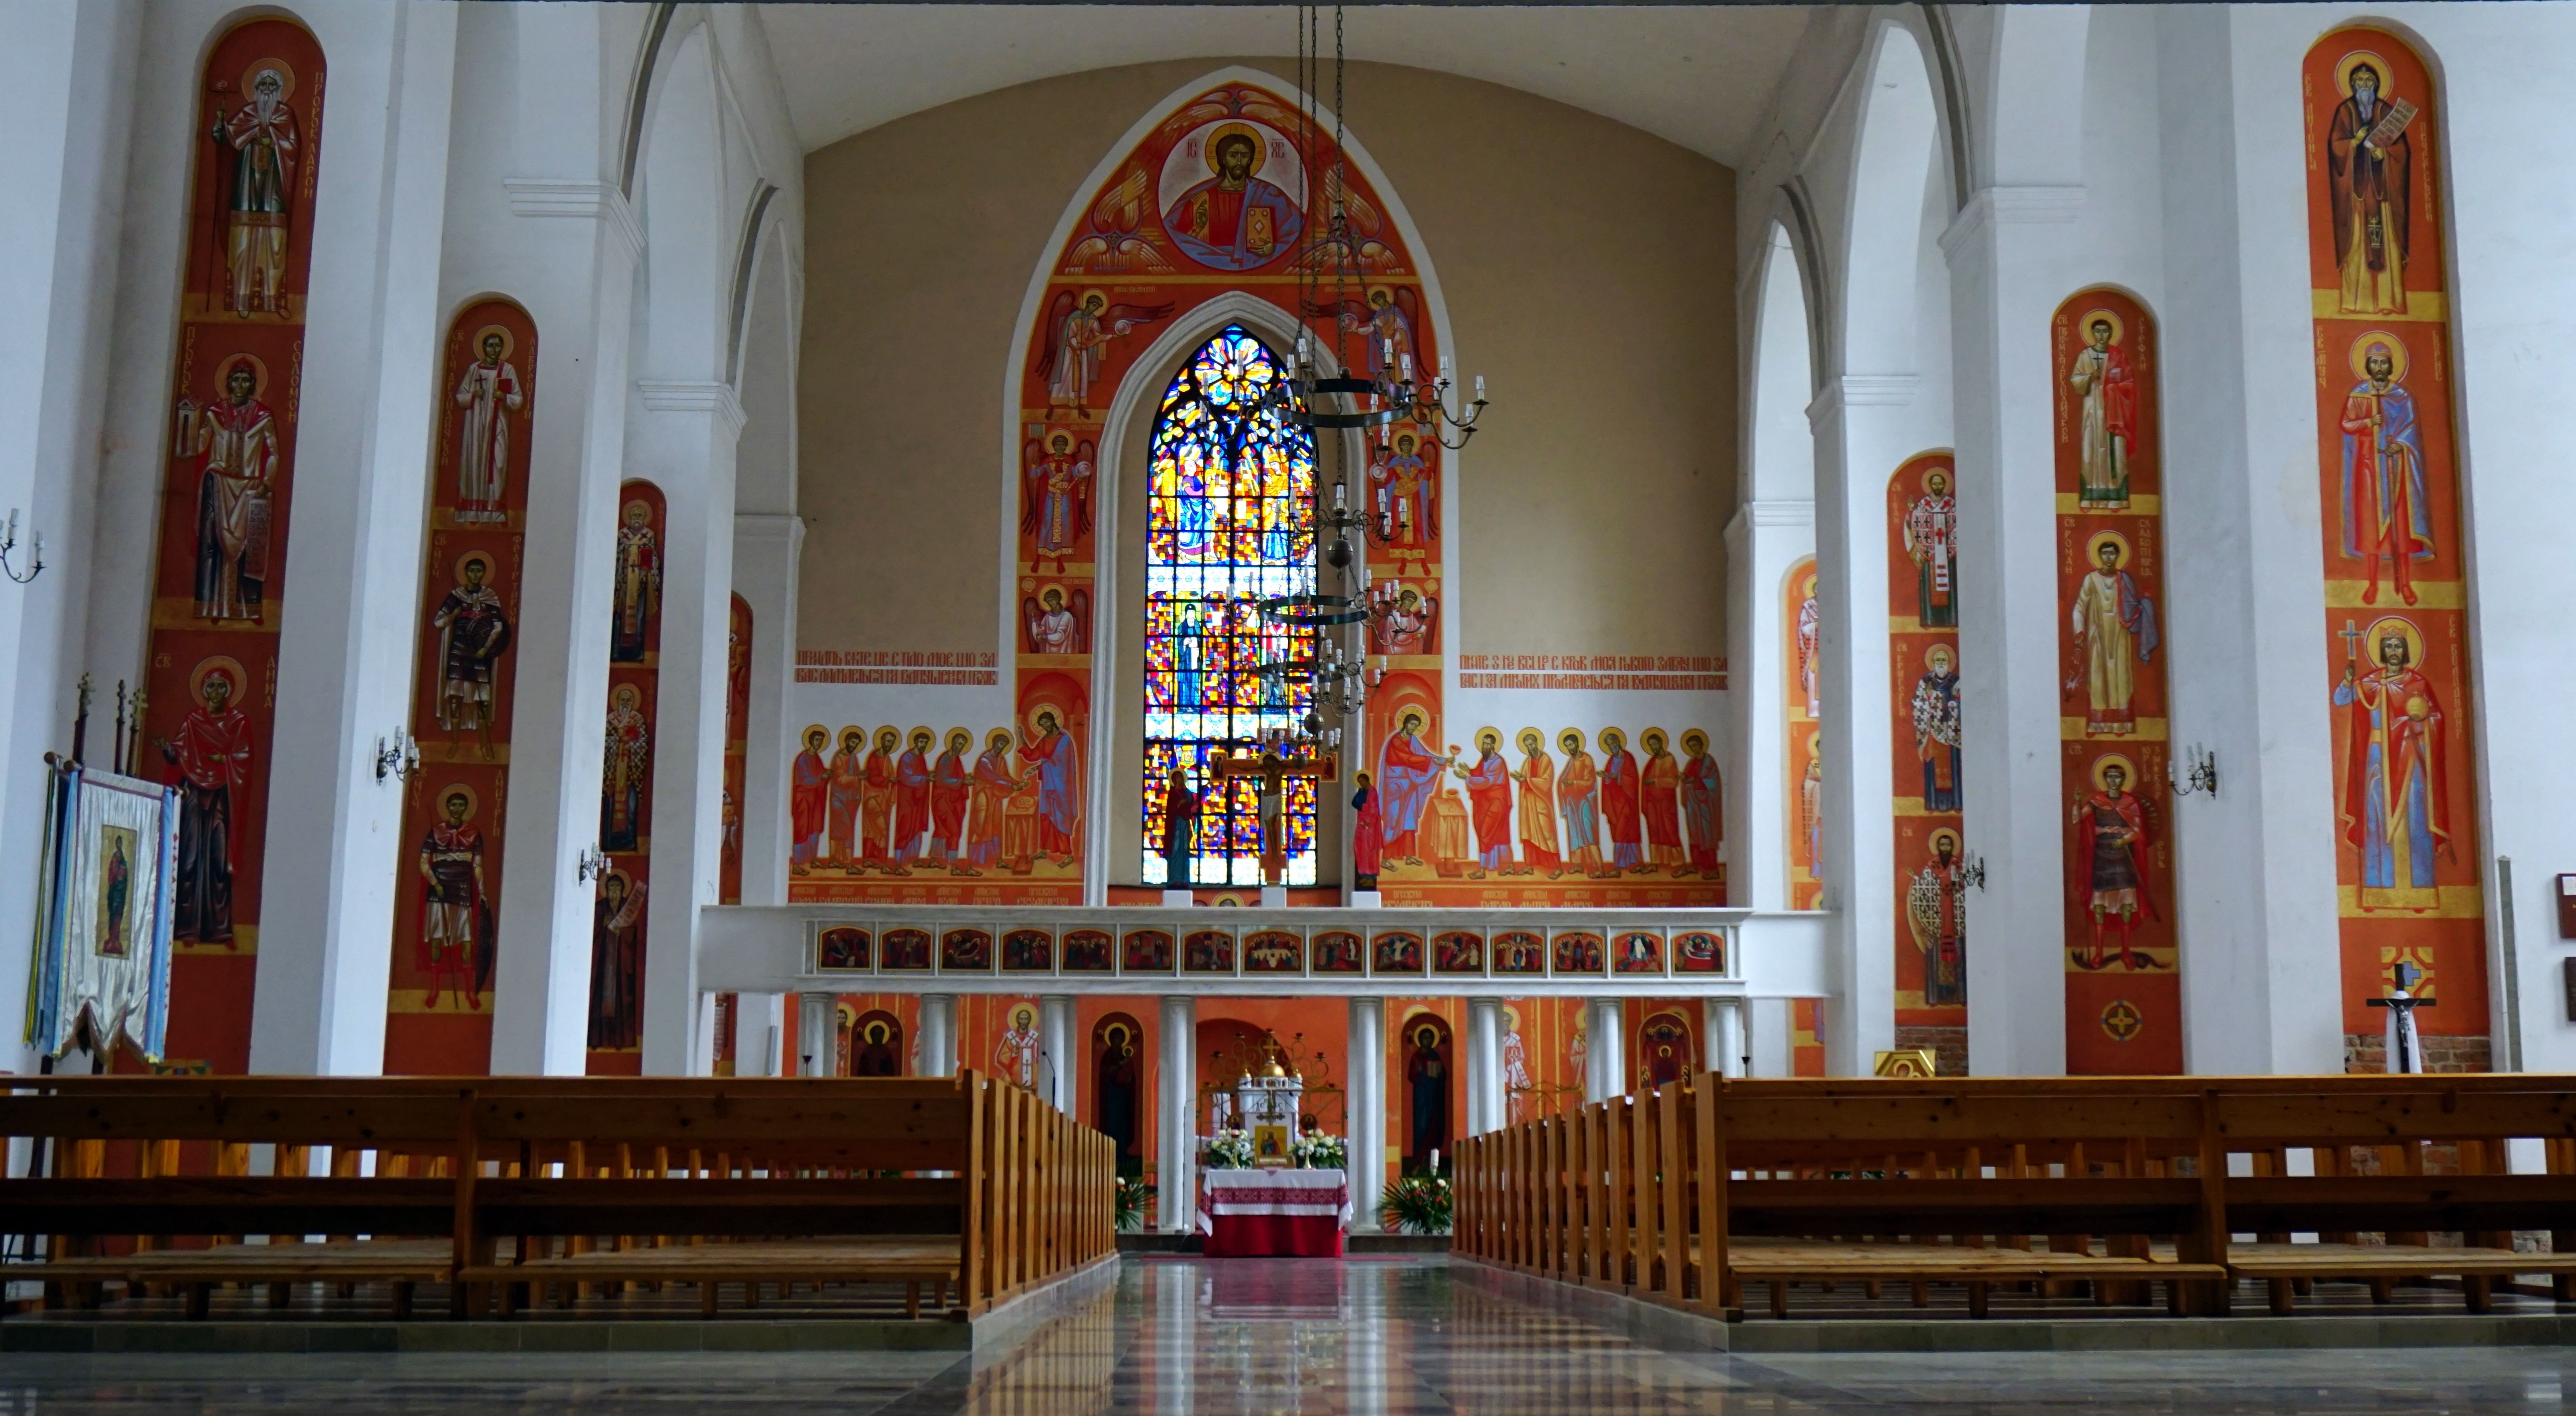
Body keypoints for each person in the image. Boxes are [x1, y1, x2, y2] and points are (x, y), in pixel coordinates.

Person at [2334, 620, 2449, 910]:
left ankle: (2419, 892)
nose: (2394, 651)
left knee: (2414, 823)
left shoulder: (2418, 683)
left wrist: (2421, 721)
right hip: (2376, 762)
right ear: (2382, 652)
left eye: (2398, 646)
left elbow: (2437, 718)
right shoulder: (2370, 682)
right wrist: (2348, 681)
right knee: (2377, 822)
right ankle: (2378, 892)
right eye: (2388, 647)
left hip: (2409, 760)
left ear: (2406, 650)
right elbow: (2340, 699)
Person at [174, 360, 279, 622]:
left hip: (249, 488)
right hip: (218, 484)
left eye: (246, 380)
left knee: (250, 550)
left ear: (253, 384)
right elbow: (197, 447)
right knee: (212, 547)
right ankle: (212, 607)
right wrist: (189, 422)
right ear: (228, 383)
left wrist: (267, 482)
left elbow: (274, 452)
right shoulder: (215, 414)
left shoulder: (263, 417)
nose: (240, 386)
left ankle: (247, 610)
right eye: (236, 380)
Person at [157, 667, 251, 945]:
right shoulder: (193, 721)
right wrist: (167, 749)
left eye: (221, 687)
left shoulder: (239, 722)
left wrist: (226, 761)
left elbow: (244, 758)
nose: (215, 693)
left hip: (222, 797)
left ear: (230, 691)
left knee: (218, 863)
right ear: (203, 691)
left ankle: (220, 930)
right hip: (194, 797)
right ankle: (186, 928)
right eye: (211, 687)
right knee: (189, 860)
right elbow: (178, 754)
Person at [2339, 340, 2433, 607]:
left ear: (2391, 366)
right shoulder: (2359, 394)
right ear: (2367, 366)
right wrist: (2369, 422)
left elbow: (2411, 427)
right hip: (2369, 469)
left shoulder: (2401, 397)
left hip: (2396, 468)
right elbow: (2346, 424)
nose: (2379, 367)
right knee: (2370, 528)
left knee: (2400, 529)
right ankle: (2371, 585)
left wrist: (2399, 445)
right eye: (2374, 362)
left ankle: (2405, 584)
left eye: (2383, 362)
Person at [2325, 60, 2413, 316]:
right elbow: (2336, 147)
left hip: (2382, 193)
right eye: (2360, 82)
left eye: (2369, 82)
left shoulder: (2385, 111)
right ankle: (2357, 302)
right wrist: (2354, 143)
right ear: (2352, 85)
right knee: (2357, 244)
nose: (2364, 86)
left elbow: (2402, 151)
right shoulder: (2345, 112)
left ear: (2376, 85)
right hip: (2357, 193)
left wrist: (2383, 153)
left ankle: (2389, 301)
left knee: (2386, 242)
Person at [213, 66, 298, 314]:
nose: (268, 91)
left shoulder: (286, 115)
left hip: (273, 185)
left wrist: (272, 136)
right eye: (263, 86)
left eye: (273, 86)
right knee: (243, 243)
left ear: (280, 89)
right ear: (256, 89)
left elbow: (293, 147)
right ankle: (242, 301)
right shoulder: (247, 113)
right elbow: (226, 140)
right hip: (246, 186)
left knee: (274, 243)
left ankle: (272, 301)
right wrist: (220, 124)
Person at [1161, 126, 1303, 270]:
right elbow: (1173, 235)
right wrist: (1198, 227)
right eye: (1233, 155)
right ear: (1223, 159)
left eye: (1244, 156)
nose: (1239, 161)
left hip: (1253, 262)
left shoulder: (1267, 194)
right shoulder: (1202, 197)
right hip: (1207, 260)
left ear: (1250, 160)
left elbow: (1296, 229)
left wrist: (1273, 248)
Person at [2071, 761, 2161, 972]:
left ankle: (2126, 952)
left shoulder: (2130, 803)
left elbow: (2138, 831)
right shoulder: (2097, 801)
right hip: (2102, 859)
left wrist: (2123, 839)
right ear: (2105, 779)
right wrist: (2077, 803)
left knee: (2126, 909)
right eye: (2110, 777)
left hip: (2123, 858)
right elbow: (2077, 819)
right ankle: (2099, 952)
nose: (2114, 781)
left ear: (2123, 780)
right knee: (2100, 908)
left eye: (2118, 777)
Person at [2067, 537, 2158, 736]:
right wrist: (2079, 630)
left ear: (2118, 555)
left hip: (2119, 635)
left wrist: (2143, 609)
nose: (2108, 557)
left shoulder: (2124, 580)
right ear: (2099, 556)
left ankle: (2121, 723)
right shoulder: (2091, 579)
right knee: (2099, 675)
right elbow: (2080, 606)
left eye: (2112, 553)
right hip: (2098, 635)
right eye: (2105, 553)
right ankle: (2098, 723)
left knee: (2120, 676)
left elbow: (2133, 606)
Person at [430, 554, 512, 751]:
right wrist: (454, 615)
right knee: (456, 699)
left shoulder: (489, 597)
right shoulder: (456, 596)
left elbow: (498, 626)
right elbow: (438, 622)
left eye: (479, 571)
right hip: (459, 652)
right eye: (472, 570)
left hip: (480, 654)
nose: (475, 574)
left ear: (484, 573)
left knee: (483, 702)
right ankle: (455, 744)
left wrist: (485, 648)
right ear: (466, 573)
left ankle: (484, 745)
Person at [417, 789, 488, 1011]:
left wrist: (483, 891)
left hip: (462, 890)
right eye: (453, 805)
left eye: (461, 805)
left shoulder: (474, 833)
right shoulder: (436, 831)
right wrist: (436, 884)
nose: (457, 809)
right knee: (437, 943)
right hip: (439, 893)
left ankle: (469, 992)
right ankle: (435, 989)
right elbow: (423, 863)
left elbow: (477, 865)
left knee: (466, 945)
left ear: (466, 808)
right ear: (448, 808)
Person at [452, 328, 524, 523]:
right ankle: (472, 511)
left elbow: (518, 399)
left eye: (498, 346)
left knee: (497, 462)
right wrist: (474, 395)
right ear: (484, 348)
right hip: (475, 425)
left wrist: (504, 397)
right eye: (490, 345)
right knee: (474, 461)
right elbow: (460, 397)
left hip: (497, 423)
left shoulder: (507, 370)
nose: (494, 350)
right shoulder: (474, 370)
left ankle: (493, 511)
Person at [2069, 316, 2135, 508]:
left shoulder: (2119, 357)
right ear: (2092, 333)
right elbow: (2076, 381)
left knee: (2116, 452)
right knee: (2091, 449)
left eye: (2105, 331)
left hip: (2114, 412)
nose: (2101, 336)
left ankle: (2117, 497)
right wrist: (2090, 377)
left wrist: (2114, 388)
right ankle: (2091, 495)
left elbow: (2130, 384)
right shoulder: (2085, 356)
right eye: (2097, 331)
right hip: (2092, 410)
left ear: (2111, 333)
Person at [1377, 711, 1449, 864]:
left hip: (1410, 784)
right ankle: (1385, 859)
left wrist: (1441, 761)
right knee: (1394, 819)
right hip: (1395, 785)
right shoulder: (1395, 741)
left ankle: (1409, 857)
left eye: (1416, 727)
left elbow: (1424, 754)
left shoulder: (1414, 740)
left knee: (1409, 820)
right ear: (1405, 724)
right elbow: (1407, 758)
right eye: (1411, 725)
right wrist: (1433, 762)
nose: (1413, 728)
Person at [1907, 830, 1968, 1008]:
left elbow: (1966, 887)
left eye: (1948, 845)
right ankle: (1935, 997)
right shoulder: (1931, 866)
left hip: (1956, 922)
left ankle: (1961, 996)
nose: (1945, 848)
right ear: (1937, 847)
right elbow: (1924, 887)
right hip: (1936, 921)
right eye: (1942, 845)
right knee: (1935, 958)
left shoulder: (1959, 866)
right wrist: (1917, 881)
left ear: (1953, 847)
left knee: (1959, 958)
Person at [587, 871, 647, 1049]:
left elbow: (636, 934)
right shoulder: (599, 908)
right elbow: (591, 932)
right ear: (605, 890)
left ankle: (620, 1041)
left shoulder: (626, 909)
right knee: (599, 1002)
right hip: (603, 965)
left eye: (618, 888)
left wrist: (624, 932)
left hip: (621, 965)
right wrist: (603, 928)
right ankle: (596, 1041)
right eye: (611, 888)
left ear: (623, 891)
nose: (614, 892)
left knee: (622, 1003)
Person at [1904, 468, 1958, 627]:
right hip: (1929, 554)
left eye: (1940, 483)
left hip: (1948, 555)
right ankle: (1929, 620)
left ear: (1944, 485)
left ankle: (1952, 620)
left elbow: (1957, 526)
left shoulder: (1952, 505)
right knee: (1928, 584)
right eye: (1934, 483)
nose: (1937, 485)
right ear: (1930, 485)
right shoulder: (1923, 506)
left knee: (1952, 585)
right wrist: (1910, 512)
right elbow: (1914, 525)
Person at [1913, 645, 1964, 811]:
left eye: (1944, 660)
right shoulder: (1926, 682)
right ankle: (1934, 803)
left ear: (1949, 663)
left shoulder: (1954, 681)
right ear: (1933, 663)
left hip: (1951, 732)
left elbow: (1962, 701)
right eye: (1938, 660)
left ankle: (1956, 803)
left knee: (1954, 768)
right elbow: (1919, 703)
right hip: (1933, 732)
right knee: (1933, 768)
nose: (1941, 663)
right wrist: (1928, 704)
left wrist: (1953, 706)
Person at [1456, 730, 1514, 876]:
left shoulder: (1498, 762)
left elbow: (1487, 781)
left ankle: (1482, 870)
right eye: (1484, 744)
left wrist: (1467, 778)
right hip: (1486, 801)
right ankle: (1508, 866)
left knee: (1486, 832)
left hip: (1496, 801)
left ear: (1494, 745)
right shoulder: (1486, 760)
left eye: (1488, 744)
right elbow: (1479, 773)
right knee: (1496, 832)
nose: (1485, 747)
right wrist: (1468, 771)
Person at [1556, 730, 1608, 878]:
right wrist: (1564, 785)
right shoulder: (1571, 761)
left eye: (1571, 745)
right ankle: (1579, 865)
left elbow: (1590, 783)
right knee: (1575, 834)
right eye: (1567, 746)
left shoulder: (1587, 760)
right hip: (1573, 803)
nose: (1569, 748)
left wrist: (1573, 783)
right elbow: (1562, 779)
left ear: (1577, 744)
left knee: (1589, 834)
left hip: (1585, 802)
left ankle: (1600, 868)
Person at [1511, 729, 1562, 878]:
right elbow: (1524, 780)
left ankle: (1557, 867)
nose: (1530, 748)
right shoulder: (1527, 762)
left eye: (1532, 744)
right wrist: (1521, 779)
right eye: (1527, 746)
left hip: (1541, 804)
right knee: (1529, 835)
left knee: (1548, 836)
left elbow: (1547, 783)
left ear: (1537, 743)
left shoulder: (1546, 760)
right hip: (1529, 805)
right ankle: (1529, 866)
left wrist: (1526, 780)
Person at [1598, 728, 1645, 873]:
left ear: (1618, 742)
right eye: (1609, 745)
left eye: (1613, 743)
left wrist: (1617, 777)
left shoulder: (1628, 758)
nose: (1612, 746)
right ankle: (1633, 863)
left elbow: (1633, 779)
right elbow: (1607, 783)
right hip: (1615, 803)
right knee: (1620, 831)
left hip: (1627, 802)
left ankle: (1619, 867)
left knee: (1625, 832)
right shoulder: (1611, 761)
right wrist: (1606, 777)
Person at [1680, 730, 1723, 881]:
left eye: (1695, 745)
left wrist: (1696, 782)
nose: (1694, 748)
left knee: (1707, 836)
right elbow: (1687, 779)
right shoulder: (1691, 762)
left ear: (1701, 745)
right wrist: (1685, 779)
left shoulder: (1709, 762)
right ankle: (1697, 865)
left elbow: (1713, 782)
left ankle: (1712, 869)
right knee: (1695, 836)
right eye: (1691, 746)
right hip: (1693, 804)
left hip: (1706, 805)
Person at [933, 729, 977, 875]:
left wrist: (965, 778)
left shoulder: (956, 759)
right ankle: (953, 866)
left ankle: (936, 859)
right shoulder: (945, 759)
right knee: (954, 831)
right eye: (959, 743)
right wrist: (962, 781)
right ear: (953, 743)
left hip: (954, 801)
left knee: (948, 830)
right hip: (944, 800)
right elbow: (942, 779)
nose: (960, 747)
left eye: (963, 745)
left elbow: (956, 776)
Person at [827, 727, 867, 870]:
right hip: (839, 799)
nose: (854, 745)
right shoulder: (839, 757)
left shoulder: (853, 757)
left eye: (856, 743)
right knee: (843, 830)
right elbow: (840, 780)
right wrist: (858, 778)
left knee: (849, 831)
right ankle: (841, 862)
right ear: (847, 741)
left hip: (851, 800)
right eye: (852, 742)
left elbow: (853, 775)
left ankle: (843, 861)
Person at [1161, 766, 1199, 886]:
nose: (1180, 780)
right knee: (1176, 849)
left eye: (1181, 778)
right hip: (1175, 824)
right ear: (1174, 780)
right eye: (1177, 778)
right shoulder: (1172, 793)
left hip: (1184, 823)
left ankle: (1184, 878)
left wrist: (1187, 801)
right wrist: (1179, 804)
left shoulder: (1186, 791)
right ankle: (1174, 878)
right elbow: (1171, 809)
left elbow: (1192, 801)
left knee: (1184, 849)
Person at [1350, 770, 1382, 890]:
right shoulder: (1362, 791)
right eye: (1359, 783)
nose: (1361, 784)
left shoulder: (1373, 792)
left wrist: (1368, 822)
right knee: (1360, 848)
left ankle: (1371, 876)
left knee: (1370, 851)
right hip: (1361, 824)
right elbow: (1355, 803)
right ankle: (1364, 874)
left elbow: (1374, 809)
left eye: (1362, 782)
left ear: (1367, 780)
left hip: (1371, 827)